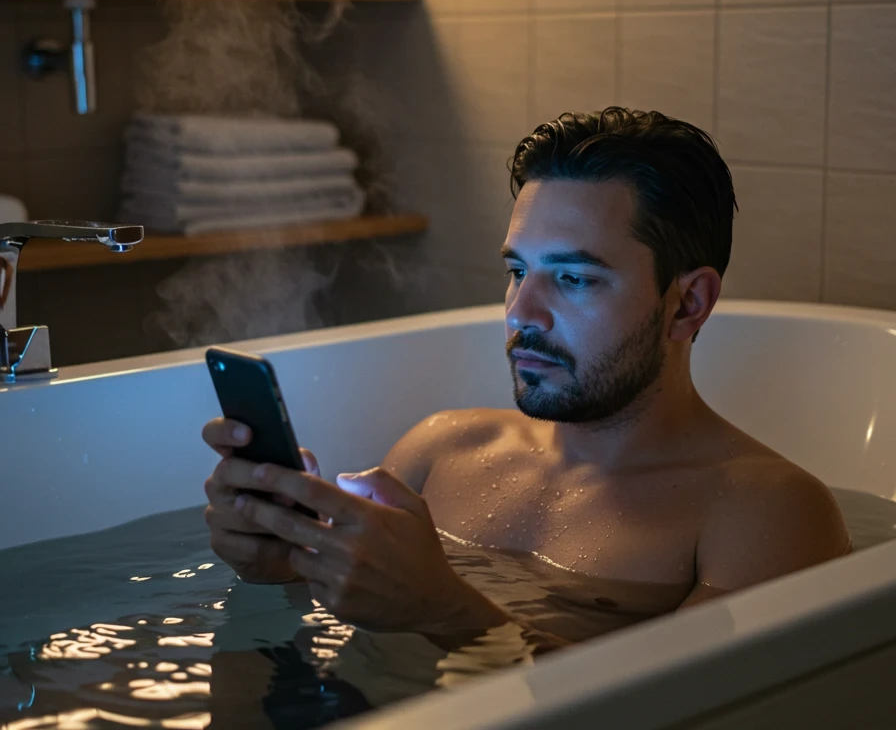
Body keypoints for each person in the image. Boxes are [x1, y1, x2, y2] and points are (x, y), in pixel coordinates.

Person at [202, 108, 852, 646]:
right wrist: (288, 568)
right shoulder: (441, 451)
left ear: (687, 304)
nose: (521, 312)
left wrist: (446, 610)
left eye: (572, 278)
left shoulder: (764, 512)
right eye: (518, 271)